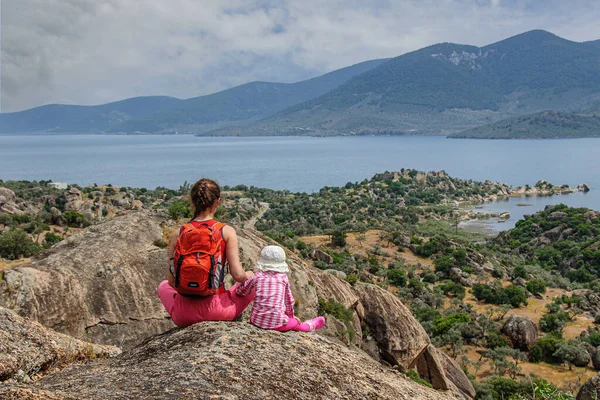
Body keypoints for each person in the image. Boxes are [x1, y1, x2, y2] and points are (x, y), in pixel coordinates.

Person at [157, 178, 255, 328]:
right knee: (254, 281)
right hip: (218, 311)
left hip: (184, 315)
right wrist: (250, 275)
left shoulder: (179, 233)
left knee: (163, 285)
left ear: (192, 201)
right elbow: (238, 276)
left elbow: (171, 281)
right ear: (217, 201)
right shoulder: (226, 231)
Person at [236, 245, 326, 332]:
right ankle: (310, 326)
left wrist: (238, 287)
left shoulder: (257, 276)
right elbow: (288, 300)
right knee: (296, 323)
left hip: (256, 321)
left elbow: (242, 291)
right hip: (277, 323)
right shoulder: (283, 278)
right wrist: (291, 316)